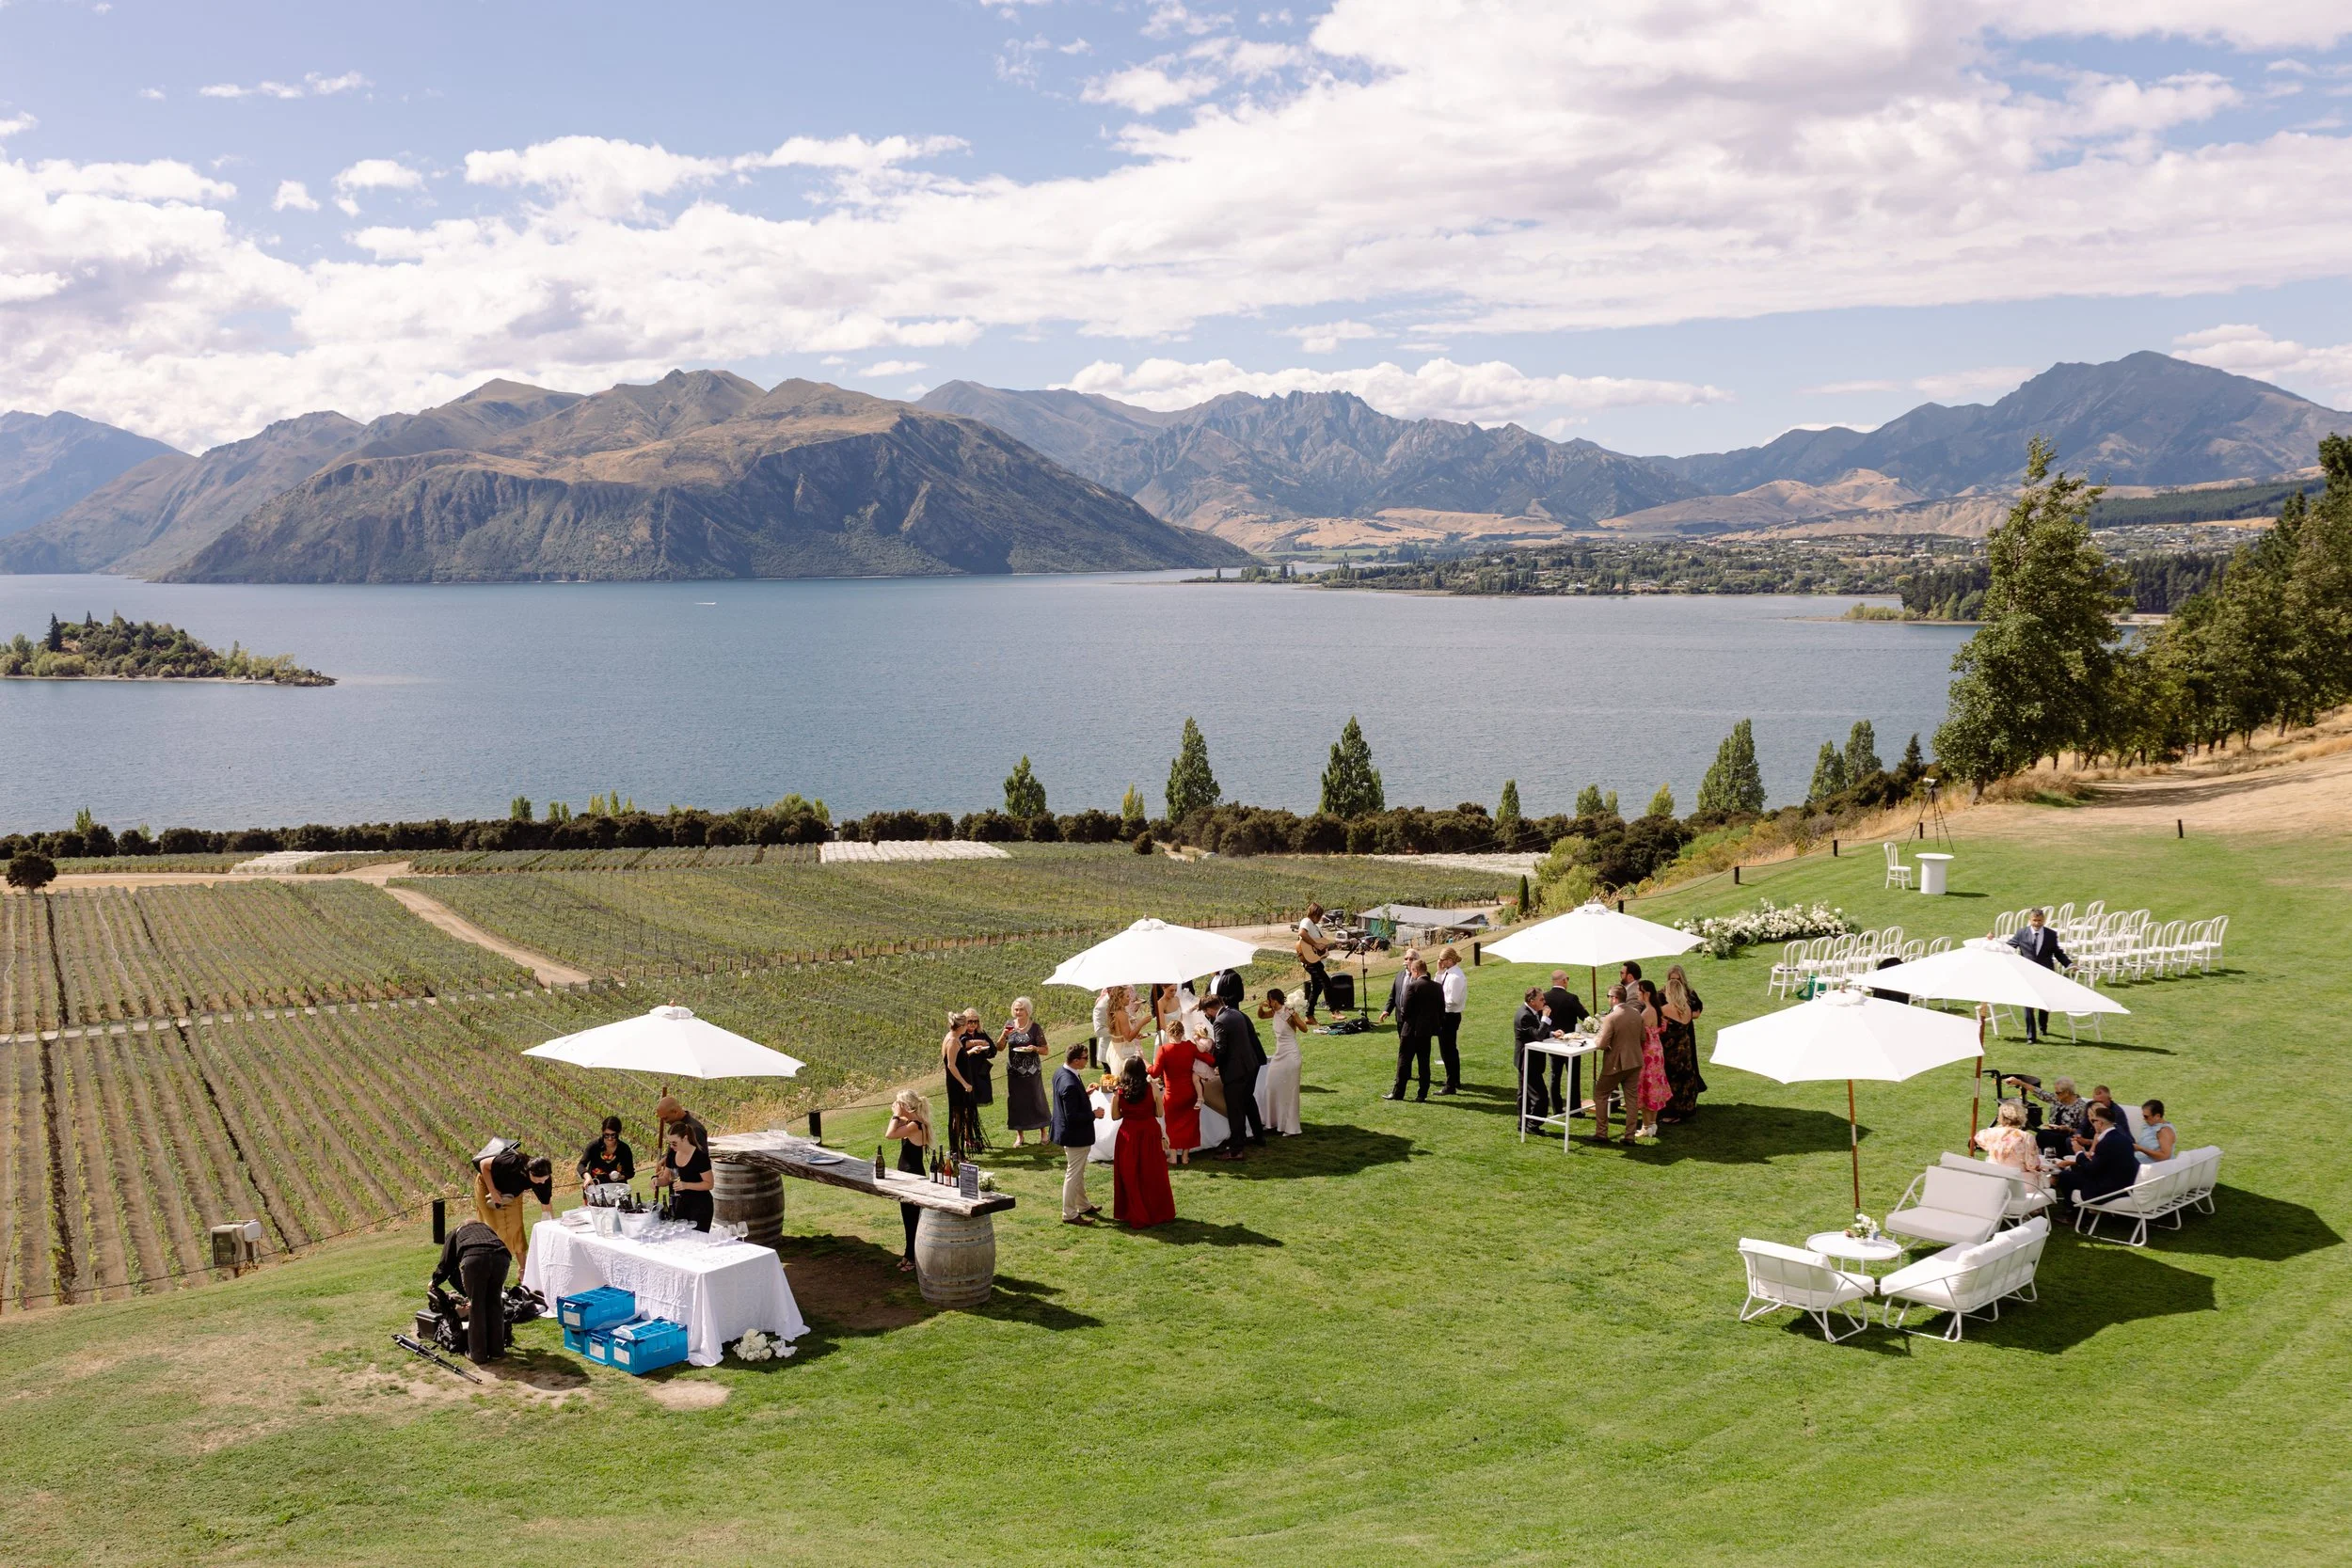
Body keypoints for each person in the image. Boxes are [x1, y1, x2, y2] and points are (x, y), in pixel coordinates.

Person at [431, 1219, 514, 1364]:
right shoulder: (486, 1228)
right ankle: (497, 1351)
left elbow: (446, 1262)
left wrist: (435, 1281)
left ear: (462, 1225)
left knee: (477, 1306)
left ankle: (478, 1354)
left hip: (474, 1259)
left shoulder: (456, 1232)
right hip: (502, 1257)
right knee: (495, 1304)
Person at [1109, 1057, 1176, 1227]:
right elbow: (1160, 1113)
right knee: (1152, 1172)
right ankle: (1156, 1211)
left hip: (1128, 1134)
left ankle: (1134, 1211)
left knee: (1130, 1173)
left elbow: (1115, 1116)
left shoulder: (1119, 1092)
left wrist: (1130, 1113)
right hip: (1149, 1133)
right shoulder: (1152, 1087)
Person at [472, 1140, 554, 1268]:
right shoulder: (511, 1162)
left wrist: (550, 1225)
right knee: (495, 1228)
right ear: (529, 1173)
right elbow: (484, 1165)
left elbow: (546, 1203)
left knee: (515, 1227)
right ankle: (494, 1266)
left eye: (545, 1180)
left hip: (512, 1193)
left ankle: (523, 1269)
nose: (542, 1183)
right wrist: (493, 1192)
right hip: (488, 1184)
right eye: (538, 1180)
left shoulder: (544, 1178)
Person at [1204, 993, 1266, 1158]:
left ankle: (1236, 1149)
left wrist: (1211, 1062)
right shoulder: (1236, 1013)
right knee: (1248, 1100)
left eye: (1206, 1012)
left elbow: (1221, 1049)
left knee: (1235, 1109)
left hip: (1235, 1071)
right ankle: (1259, 1135)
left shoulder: (1219, 1022)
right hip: (1250, 1065)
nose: (1207, 1016)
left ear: (1210, 1009)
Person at [1050, 1043, 1104, 1225]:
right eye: (1085, 1058)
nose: (1087, 1061)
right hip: (1075, 1136)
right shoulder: (1070, 1083)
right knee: (1073, 1175)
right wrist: (1093, 1114)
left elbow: (1070, 1103)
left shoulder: (1061, 1072)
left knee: (1077, 1172)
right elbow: (1072, 1117)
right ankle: (1070, 1214)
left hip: (1069, 1134)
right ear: (1075, 1060)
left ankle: (1083, 1205)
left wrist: (1085, 1093)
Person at [1589, 986, 1647, 1145]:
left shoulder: (1612, 1017)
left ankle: (1601, 1133)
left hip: (1616, 1064)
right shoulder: (1636, 1014)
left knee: (1600, 1094)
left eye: (1608, 996)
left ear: (1614, 998)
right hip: (1635, 1061)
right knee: (1631, 1099)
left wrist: (1596, 1039)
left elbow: (1601, 1043)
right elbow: (1643, 1038)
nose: (1608, 999)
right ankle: (1629, 1136)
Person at [2054, 1101, 2138, 1209]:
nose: (2091, 1123)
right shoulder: (2123, 1138)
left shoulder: (2105, 1142)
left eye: (2093, 1120)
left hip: (2108, 1189)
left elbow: (2091, 1169)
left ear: (2100, 1123)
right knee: (2075, 1169)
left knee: (2065, 1176)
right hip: (2125, 1184)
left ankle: (2071, 1212)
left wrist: (2078, 1152)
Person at [2005, 908, 2071, 1043]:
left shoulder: (2051, 934)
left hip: (2046, 974)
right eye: (2034, 920)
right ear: (2030, 920)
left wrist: (2069, 964)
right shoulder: (2021, 933)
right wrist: (1992, 945)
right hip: (2027, 974)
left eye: (2039, 920)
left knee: (2044, 1004)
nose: (2037, 923)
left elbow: (2057, 952)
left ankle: (2043, 1027)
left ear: (2044, 920)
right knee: (2028, 1005)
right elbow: (2009, 947)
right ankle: (2031, 1036)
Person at [883, 1090, 933, 1268]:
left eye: (898, 1103)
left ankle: (913, 1259)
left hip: (912, 1175)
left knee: (912, 1219)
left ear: (905, 1105)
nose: (895, 1105)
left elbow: (889, 1134)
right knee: (908, 1218)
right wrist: (898, 1116)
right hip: (907, 1174)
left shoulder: (915, 1125)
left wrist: (896, 1115)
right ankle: (908, 1254)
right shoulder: (912, 1122)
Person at [1149, 1019, 1208, 1164]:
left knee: (1172, 1125)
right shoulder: (1189, 1047)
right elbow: (1209, 1059)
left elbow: (1155, 1073)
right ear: (1182, 1033)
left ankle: (1174, 1157)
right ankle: (1186, 1157)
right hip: (1190, 1092)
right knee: (1190, 1124)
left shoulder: (1164, 1050)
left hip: (1172, 1094)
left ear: (1168, 1033)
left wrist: (1144, 1061)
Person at [941, 1007, 997, 1157]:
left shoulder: (955, 1038)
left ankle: (958, 1148)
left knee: (961, 1115)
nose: (969, 1027)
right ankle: (956, 1150)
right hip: (956, 1085)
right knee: (957, 1116)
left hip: (960, 1083)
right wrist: (964, 1083)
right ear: (960, 1026)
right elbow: (951, 1065)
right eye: (967, 1024)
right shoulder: (952, 1040)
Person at [1388, 958, 1444, 1102]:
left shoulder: (1412, 986)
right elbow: (1441, 1010)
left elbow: (1405, 1011)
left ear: (1415, 971)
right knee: (1424, 1063)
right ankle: (1422, 1094)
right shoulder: (1437, 987)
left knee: (1404, 1062)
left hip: (1410, 1030)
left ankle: (1398, 1093)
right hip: (1426, 1032)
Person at [999, 997, 1052, 1148]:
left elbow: (1046, 1050)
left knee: (1037, 1100)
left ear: (1028, 1010)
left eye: (1021, 1009)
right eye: (1016, 1009)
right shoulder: (1009, 1026)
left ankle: (1043, 1132)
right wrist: (1004, 1035)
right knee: (1016, 1103)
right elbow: (999, 1047)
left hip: (1032, 1072)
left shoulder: (1035, 1028)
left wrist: (1034, 1048)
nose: (1018, 1012)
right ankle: (1019, 1136)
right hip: (1014, 1072)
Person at [1659, 965, 1707, 1122]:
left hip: (1671, 1048)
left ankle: (1671, 1111)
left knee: (1671, 1078)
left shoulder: (1665, 1009)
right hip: (1684, 1045)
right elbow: (1695, 1013)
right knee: (1685, 1076)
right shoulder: (1686, 1008)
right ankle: (1686, 1108)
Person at [1256, 988, 1305, 1135]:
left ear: (1274, 1000)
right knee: (1271, 1085)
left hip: (1291, 1055)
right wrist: (1260, 1007)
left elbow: (1304, 1028)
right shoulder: (1274, 1012)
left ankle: (1291, 1127)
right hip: (1279, 1055)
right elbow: (1261, 1016)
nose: (1269, 1002)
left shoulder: (1288, 1012)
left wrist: (1295, 1016)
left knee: (1289, 1091)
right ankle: (1273, 1122)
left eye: (1269, 1000)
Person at [653, 1116, 715, 1230]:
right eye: (670, 1143)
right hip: (681, 1204)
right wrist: (656, 1181)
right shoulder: (672, 1154)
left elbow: (709, 1184)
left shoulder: (700, 1156)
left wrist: (686, 1185)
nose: (671, 1146)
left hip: (700, 1206)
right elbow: (666, 1179)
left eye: (674, 1143)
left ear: (685, 1138)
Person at [1541, 970, 1590, 1117]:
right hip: (1572, 1043)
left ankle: (1557, 1108)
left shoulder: (1545, 998)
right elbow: (1585, 1017)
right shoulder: (1571, 998)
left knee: (1555, 1075)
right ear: (1563, 980)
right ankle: (1574, 1109)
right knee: (1573, 1076)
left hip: (1553, 1042)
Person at [1973, 1100, 2048, 1192]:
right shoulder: (2026, 1137)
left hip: (1994, 1180)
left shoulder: (1990, 1133)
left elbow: (1978, 1137)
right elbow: (2032, 1165)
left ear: (2000, 1116)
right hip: (2019, 1184)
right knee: (2044, 1179)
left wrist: (2000, 1128)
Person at [1514, 987, 1562, 1130]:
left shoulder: (1531, 1012)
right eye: (1541, 999)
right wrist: (1546, 1017)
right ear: (1532, 1001)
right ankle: (1533, 1124)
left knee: (1525, 1095)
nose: (1544, 1002)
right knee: (1540, 1097)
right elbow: (1539, 1035)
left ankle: (1524, 1124)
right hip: (1528, 1061)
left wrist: (1553, 1034)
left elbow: (1535, 1033)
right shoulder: (1525, 1016)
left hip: (1529, 1061)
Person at [2018, 1074, 2092, 1157]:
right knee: (2044, 1135)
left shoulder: (2081, 1107)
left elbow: (2083, 1130)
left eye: (2058, 1093)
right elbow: (2041, 1093)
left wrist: (2068, 1129)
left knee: (2044, 1135)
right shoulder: (2058, 1099)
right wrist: (2020, 1083)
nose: (2055, 1095)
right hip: (2054, 1132)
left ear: (2067, 1092)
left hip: (2068, 1135)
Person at [1633, 978, 1669, 1140]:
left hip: (1647, 1053)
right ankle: (1652, 1123)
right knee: (1654, 1085)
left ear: (1646, 993)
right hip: (1656, 1050)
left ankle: (1646, 1126)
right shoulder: (1656, 1009)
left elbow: (1640, 1035)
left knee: (1646, 1087)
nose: (1636, 993)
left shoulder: (1647, 1012)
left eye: (1638, 991)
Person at [1434, 947, 1469, 1095]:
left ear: (1450, 960)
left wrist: (1438, 1003)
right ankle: (1454, 1079)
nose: (1441, 963)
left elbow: (1452, 1000)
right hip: (1446, 1014)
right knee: (1449, 1050)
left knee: (1447, 1050)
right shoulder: (1448, 973)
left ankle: (1451, 1084)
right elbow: (1437, 986)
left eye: (1442, 960)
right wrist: (1439, 971)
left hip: (1450, 1015)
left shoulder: (1456, 977)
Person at [1295, 902, 1335, 1020]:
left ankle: (1309, 1016)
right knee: (1326, 982)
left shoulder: (1314, 926)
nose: (1320, 918)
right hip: (1310, 962)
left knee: (1317, 989)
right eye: (1320, 915)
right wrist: (1316, 944)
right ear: (1315, 914)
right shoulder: (1306, 921)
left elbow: (1321, 947)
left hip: (1315, 960)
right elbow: (1301, 933)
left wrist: (1324, 947)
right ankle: (1334, 1010)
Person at [1095, 985, 1143, 1073]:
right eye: (1127, 996)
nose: (1130, 999)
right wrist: (1118, 1031)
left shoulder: (1120, 1006)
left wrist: (1130, 1031)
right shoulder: (1101, 1007)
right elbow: (1099, 1031)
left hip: (1123, 1047)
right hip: (1113, 1050)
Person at [577, 1115, 634, 1188]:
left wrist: (621, 1176)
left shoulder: (624, 1149)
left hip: (618, 1190)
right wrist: (587, 1176)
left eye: (613, 1135)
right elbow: (581, 1165)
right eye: (606, 1135)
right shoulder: (594, 1146)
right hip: (595, 1189)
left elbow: (630, 1172)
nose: (610, 1138)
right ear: (603, 1132)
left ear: (618, 1133)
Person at [1380, 947, 1422, 1024]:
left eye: (1411, 959)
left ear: (1417, 961)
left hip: (1415, 1018)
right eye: (1406, 959)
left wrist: (1413, 971)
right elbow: (1393, 996)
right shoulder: (1399, 975)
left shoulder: (1421, 976)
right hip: (1400, 1017)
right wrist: (1387, 1010)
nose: (1408, 961)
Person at [2134, 1099, 2177, 1164]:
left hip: (2154, 1168)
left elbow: (2165, 1156)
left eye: (2146, 1116)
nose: (2144, 1119)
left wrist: (2141, 1149)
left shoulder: (2165, 1131)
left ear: (2157, 1116)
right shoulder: (2151, 1125)